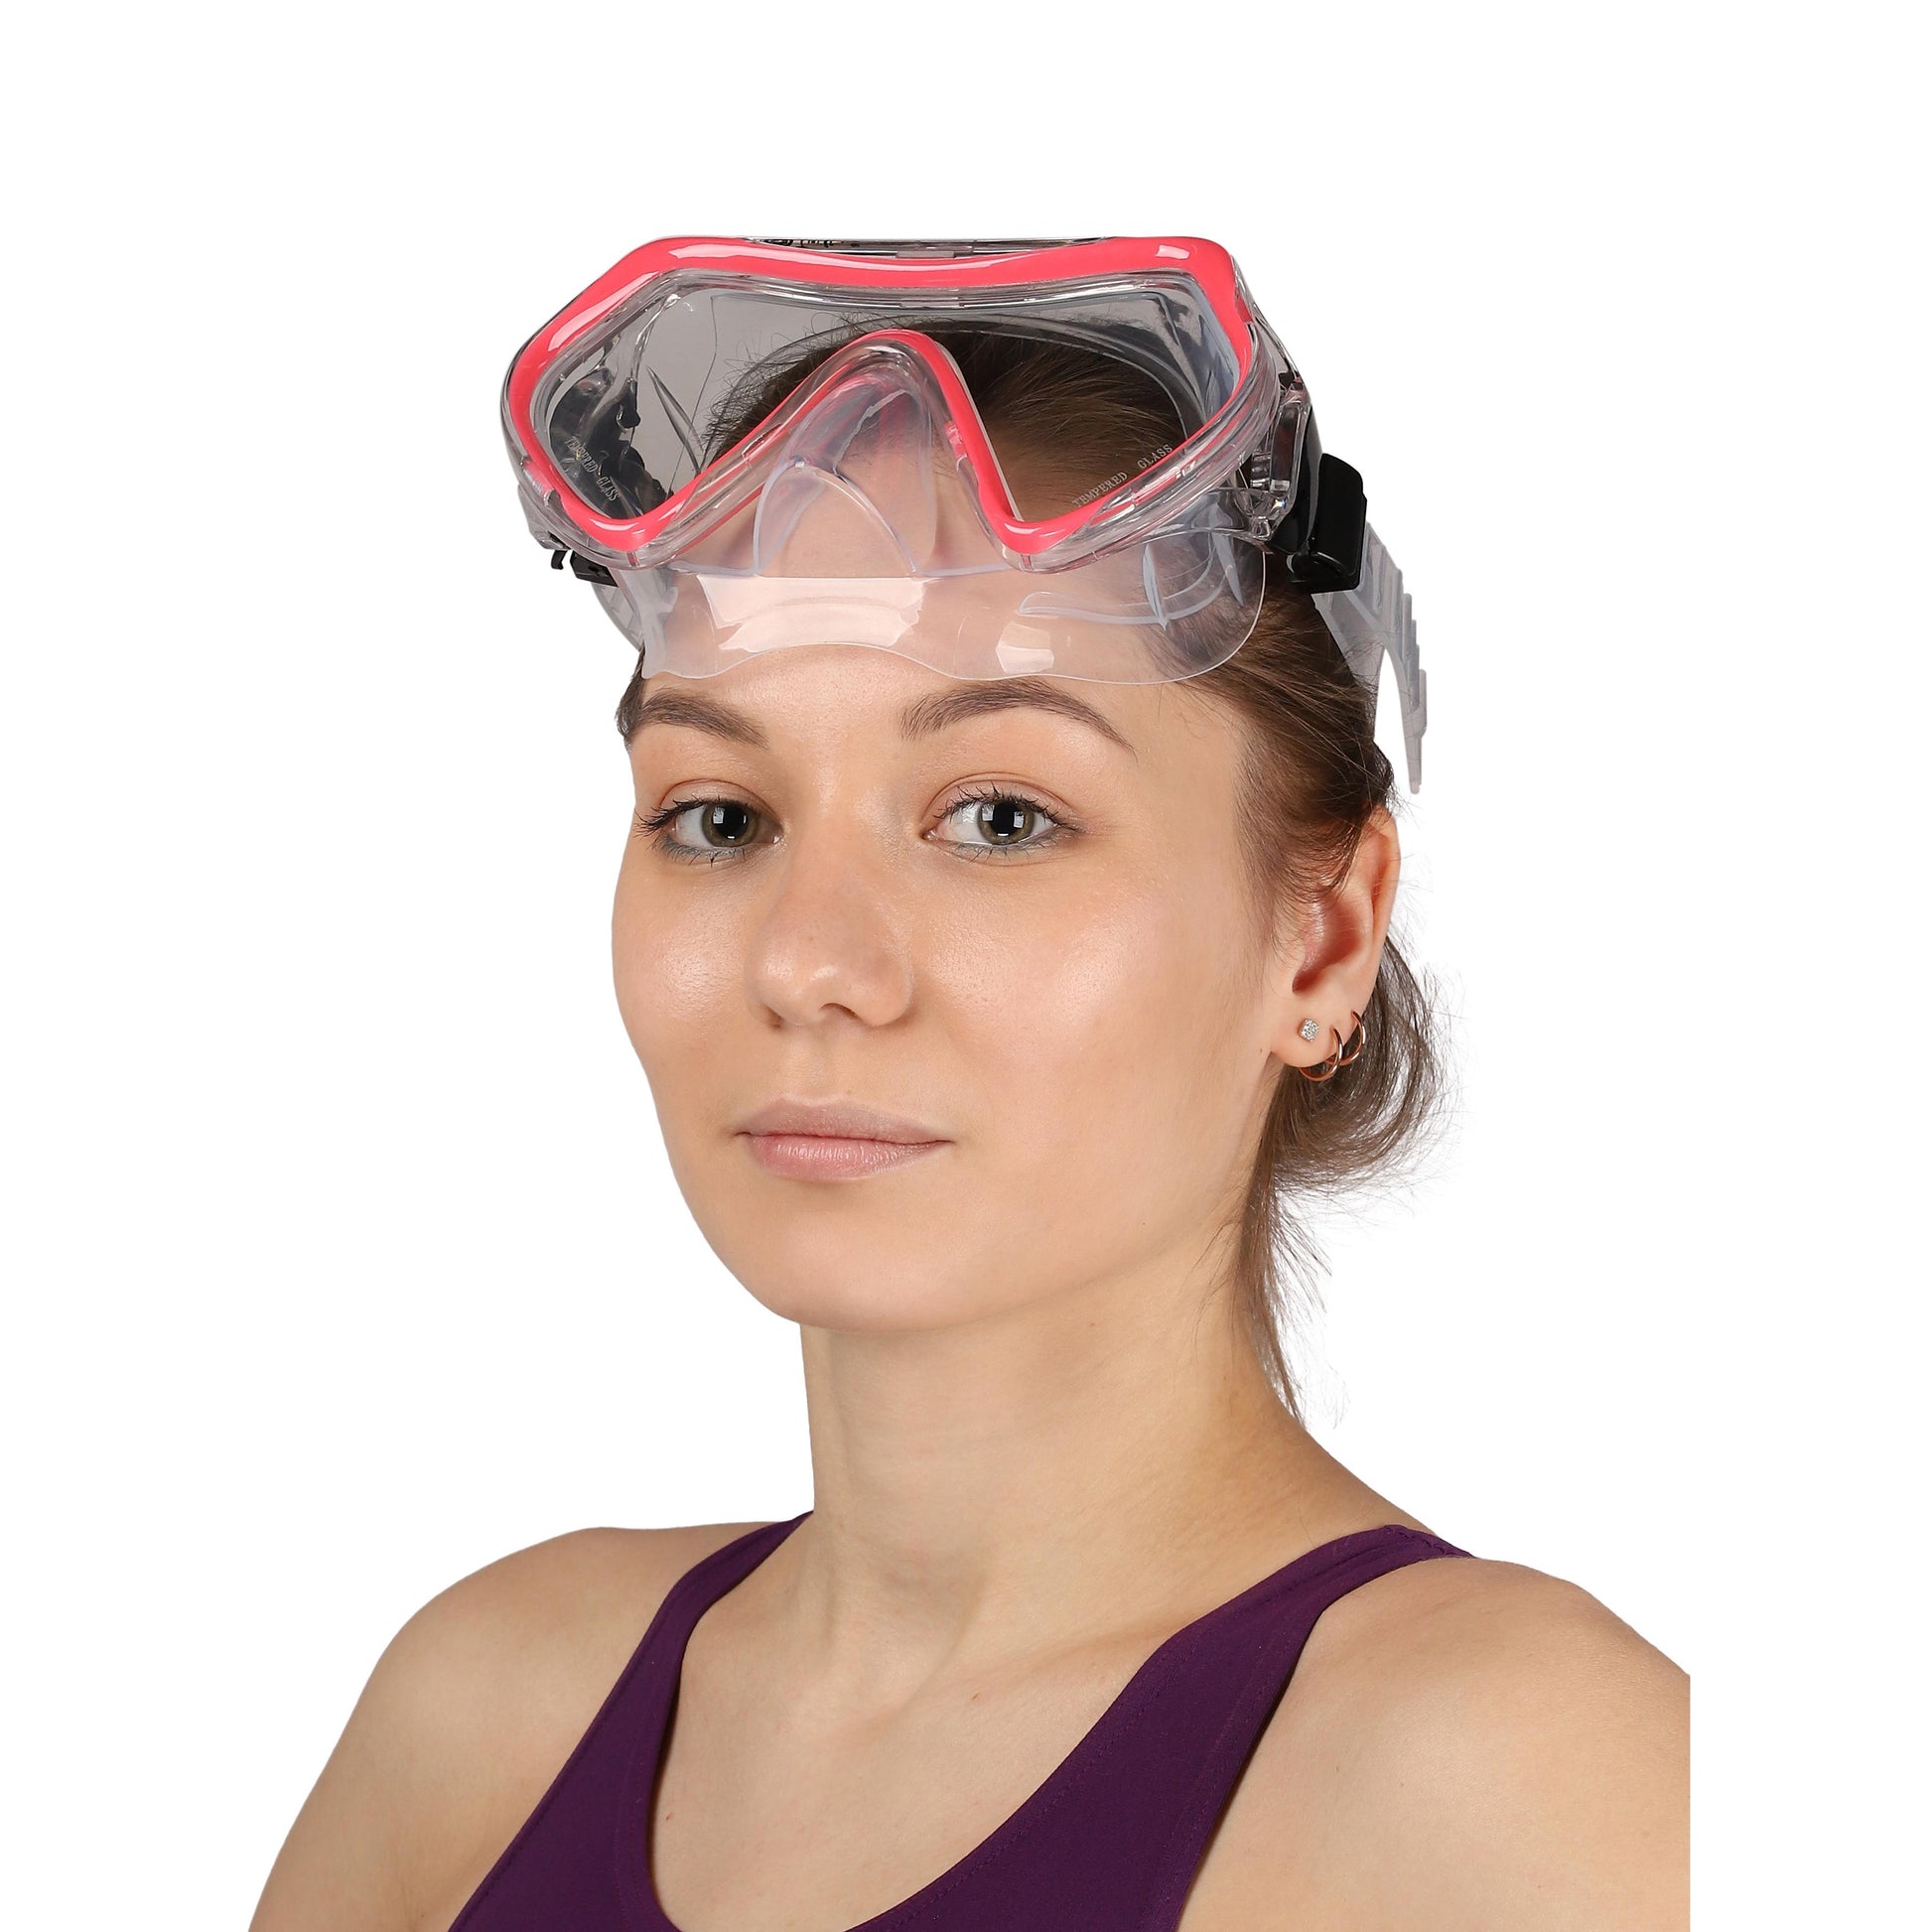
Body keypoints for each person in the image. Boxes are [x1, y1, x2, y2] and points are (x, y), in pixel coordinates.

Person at [250, 236, 1688, 1931]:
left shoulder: (1529, 1782)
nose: (808, 961)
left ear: (1320, 939)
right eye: (720, 816)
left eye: (1000, 817)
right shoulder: (485, 1716)